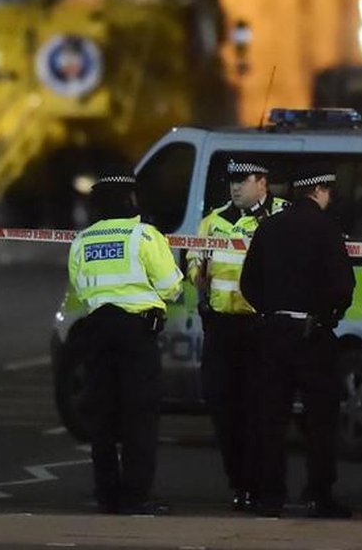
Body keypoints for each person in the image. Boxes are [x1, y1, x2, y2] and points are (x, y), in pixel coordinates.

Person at [240, 163, 355, 519]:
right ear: (319, 191)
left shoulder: (268, 228)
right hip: (313, 334)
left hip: (272, 334)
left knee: (270, 418)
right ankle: (319, 495)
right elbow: (342, 286)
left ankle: (270, 496)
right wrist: (326, 314)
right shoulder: (327, 229)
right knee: (321, 420)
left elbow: (248, 283)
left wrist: (271, 310)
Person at [67, 170, 184, 515]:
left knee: (102, 417)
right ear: (129, 200)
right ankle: (136, 496)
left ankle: (106, 494)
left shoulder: (83, 240)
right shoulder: (143, 236)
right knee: (139, 416)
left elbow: (79, 287)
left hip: (97, 333)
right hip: (136, 334)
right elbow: (171, 287)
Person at [185, 158, 287, 511]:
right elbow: (194, 258)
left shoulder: (280, 216)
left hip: (260, 328)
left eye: (242, 180)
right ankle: (240, 484)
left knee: (261, 412)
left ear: (263, 181)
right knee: (224, 411)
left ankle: (262, 486)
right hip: (222, 329)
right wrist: (196, 271)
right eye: (231, 181)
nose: (235, 187)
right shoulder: (213, 222)